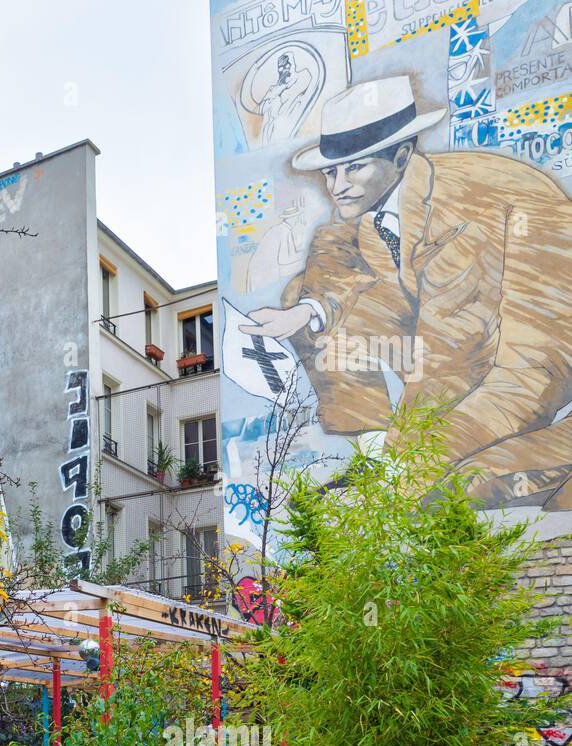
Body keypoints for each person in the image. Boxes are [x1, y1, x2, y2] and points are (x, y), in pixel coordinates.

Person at [242, 76, 572, 510]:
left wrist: (405, 468)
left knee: (460, 488)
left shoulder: (462, 210)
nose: (337, 185)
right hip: (454, 344)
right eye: (330, 171)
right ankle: (380, 457)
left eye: (354, 167)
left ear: (400, 156)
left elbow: (453, 355)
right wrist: (307, 311)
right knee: (301, 296)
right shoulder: (375, 203)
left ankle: (407, 469)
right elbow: (334, 250)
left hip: (529, 356)